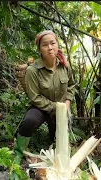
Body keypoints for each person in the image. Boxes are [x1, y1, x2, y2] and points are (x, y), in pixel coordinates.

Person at [14, 30, 75, 165]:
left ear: (57, 45)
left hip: (61, 108)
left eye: (53, 43)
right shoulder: (33, 71)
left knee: (59, 136)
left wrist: (68, 102)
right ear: (39, 49)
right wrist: (56, 107)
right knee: (29, 121)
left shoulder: (64, 66)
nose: (50, 48)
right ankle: (18, 152)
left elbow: (71, 85)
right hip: (41, 108)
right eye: (45, 45)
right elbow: (35, 97)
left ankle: (53, 145)